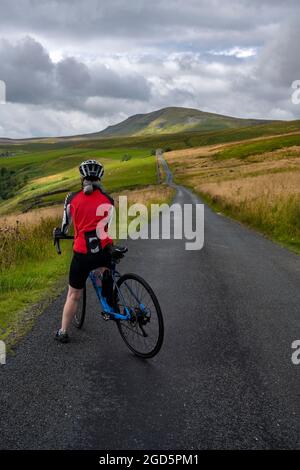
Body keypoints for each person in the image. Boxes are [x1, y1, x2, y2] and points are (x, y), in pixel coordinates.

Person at [54, 159, 114, 343]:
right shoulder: (108, 200)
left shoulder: (72, 199)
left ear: (82, 177)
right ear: (100, 178)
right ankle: (110, 300)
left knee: (74, 294)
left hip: (82, 252)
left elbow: (65, 226)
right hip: (103, 249)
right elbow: (108, 228)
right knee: (104, 268)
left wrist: (59, 233)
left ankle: (63, 332)